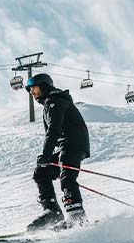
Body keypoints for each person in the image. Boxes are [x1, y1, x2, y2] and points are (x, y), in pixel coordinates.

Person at [25, 73, 90, 231]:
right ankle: (52, 212)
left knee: (67, 178)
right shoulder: (50, 102)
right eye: (30, 89)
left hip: (74, 144)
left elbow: (54, 130)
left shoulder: (56, 100)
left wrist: (46, 154)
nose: (31, 92)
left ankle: (77, 216)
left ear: (44, 86)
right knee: (41, 172)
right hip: (65, 146)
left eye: (34, 87)